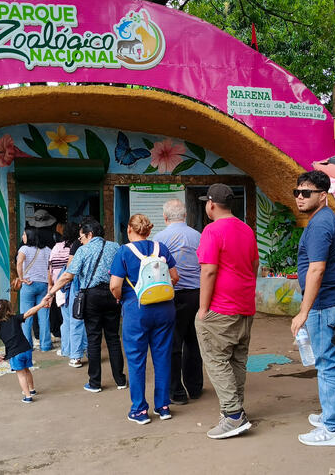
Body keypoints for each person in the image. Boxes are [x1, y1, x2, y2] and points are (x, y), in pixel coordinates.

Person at [195, 184, 259, 439]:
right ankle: (236, 411)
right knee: (237, 360)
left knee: (216, 359)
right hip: (245, 306)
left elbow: (208, 270)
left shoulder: (212, 230)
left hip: (220, 308)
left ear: (211, 204)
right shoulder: (246, 229)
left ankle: (232, 415)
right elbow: (255, 264)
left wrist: (202, 309)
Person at [290, 170, 335, 446]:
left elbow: (316, 269)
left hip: (324, 304)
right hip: (327, 303)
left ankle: (332, 427)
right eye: (297, 192)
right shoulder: (322, 221)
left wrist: (303, 310)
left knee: (326, 364)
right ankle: (329, 414)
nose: (300, 197)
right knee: (326, 362)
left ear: (323, 196)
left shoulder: (321, 225)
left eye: (306, 193)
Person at [110, 214, 180, 424]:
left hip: (136, 310)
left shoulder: (124, 251)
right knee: (162, 357)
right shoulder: (162, 248)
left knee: (136, 360)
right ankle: (163, 406)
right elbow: (175, 277)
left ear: (130, 230)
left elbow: (114, 285)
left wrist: (120, 298)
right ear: (149, 231)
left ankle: (140, 410)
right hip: (165, 309)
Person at [46, 219, 126, 392]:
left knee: (94, 339)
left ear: (90, 234)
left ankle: (95, 383)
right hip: (112, 294)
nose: (80, 240)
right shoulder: (115, 247)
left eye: (81, 237)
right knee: (113, 338)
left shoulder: (83, 250)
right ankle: (120, 380)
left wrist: (51, 292)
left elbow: (68, 275)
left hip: (92, 297)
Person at [153, 198, 204, 406]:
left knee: (173, 343)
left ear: (165, 217)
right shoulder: (198, 235)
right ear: (185, 216)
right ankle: (195, 386)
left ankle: (177, 392)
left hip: (171, 295)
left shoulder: (160, 238)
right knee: (194, 341)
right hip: (197, 294)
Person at [0, 298, 48, 403]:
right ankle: (32, 389)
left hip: (15, 354)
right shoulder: (14, 318)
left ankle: (28, 396)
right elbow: (29, 312)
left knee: (21, 375)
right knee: (27, 370)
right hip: (26, 350)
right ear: (7, 310)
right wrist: (41, 304)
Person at [50, 222, 87, 367]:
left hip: (64, 287)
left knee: (69, 320)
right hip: (75, 287)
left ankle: (69, 351)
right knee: (81, 321)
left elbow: (52, 267)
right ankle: (84, 350)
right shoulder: (81, 246)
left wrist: (51, 287)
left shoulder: (60, 247)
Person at [16, 227, 52, 351]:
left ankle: (27, 346)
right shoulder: (47, 250)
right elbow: (50, 268)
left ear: (30, 236)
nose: (22, 237)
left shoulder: (24, 249)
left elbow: (19, 263)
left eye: (24, 235)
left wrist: (21, 278)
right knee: (44, 317)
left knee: (26, 317)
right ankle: (46, 345)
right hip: (44, 285)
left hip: (29, 285)